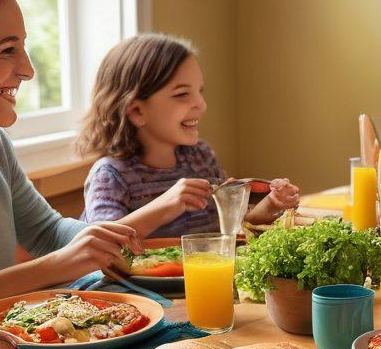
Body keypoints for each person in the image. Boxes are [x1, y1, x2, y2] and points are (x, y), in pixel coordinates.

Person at [0, 0, 142, 324]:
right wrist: (49, 269)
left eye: (23, 47)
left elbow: (47, 231)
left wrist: (99, 238)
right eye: (7, 50)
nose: (28, 70)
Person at [78, 34, 299, 237]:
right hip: (133, 282)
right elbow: (99, 246)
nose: (201, 105)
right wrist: (166, 205)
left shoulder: (200, 157)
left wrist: (272, 205)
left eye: (200, 91)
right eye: (182, 94)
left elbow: (233, 227)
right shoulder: (110, 175)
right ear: (137, 111)